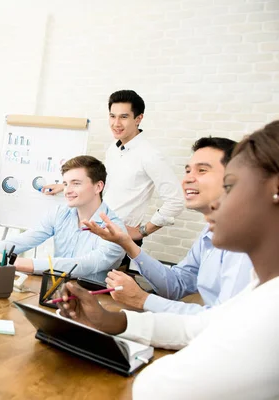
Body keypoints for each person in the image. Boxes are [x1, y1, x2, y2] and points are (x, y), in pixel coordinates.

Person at [58, 120, 279, 399]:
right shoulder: (260, 284)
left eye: (231, 186)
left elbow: (155, 388)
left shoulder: (268, 304)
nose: (217, 203)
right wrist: (109, 319)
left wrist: (141, 301)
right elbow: (200, 320)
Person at [83, 137, 252, 314]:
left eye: (202, 170)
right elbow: (177, 285)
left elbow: (224, 320)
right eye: (187, 171)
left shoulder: (245, 240)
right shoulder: (207, 234)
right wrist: (127, 243)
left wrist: (143, 300)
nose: (187, 179)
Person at [43, 90, 184, 242]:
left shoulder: (150, 155)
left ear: (138, 119)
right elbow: (105, 185)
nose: (116, 123)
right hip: (97, 230)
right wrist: (64, 188)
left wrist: (142, 231)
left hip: (120, 237)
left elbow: (175, 201)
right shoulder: (114, 149)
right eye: (112, 116)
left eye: (124, 117)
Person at [0, 156, 125, 278]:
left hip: (94, 303)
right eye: (65, 184)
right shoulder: (60, 213)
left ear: (98, 186)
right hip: (56, 291)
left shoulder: (115, 230)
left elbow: (83, 265)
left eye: (76, 183)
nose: (67, 190)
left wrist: (10, 261)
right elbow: (27, 239)